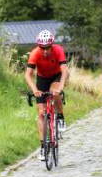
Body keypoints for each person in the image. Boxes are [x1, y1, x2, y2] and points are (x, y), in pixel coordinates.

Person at [25, 30, 69, 162]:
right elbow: (28, 75)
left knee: (55, 92)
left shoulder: (58, 50)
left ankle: (60, 116)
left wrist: (61, 87)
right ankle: (43, 146)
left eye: (47, 48)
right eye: (42, 48)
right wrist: (34, 90)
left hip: (57, 76)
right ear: (39, 46)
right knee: (41, 114)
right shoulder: (34, 53)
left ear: (52, 45)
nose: (44, 51)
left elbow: (64, 71)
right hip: (42, 79)